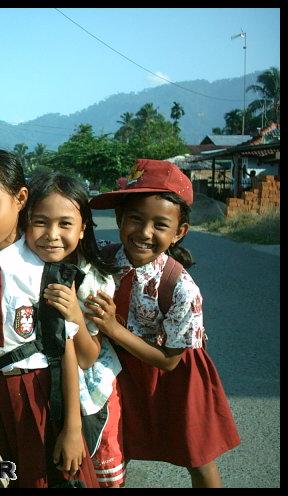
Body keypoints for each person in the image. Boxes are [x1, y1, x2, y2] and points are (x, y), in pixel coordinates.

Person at [0, 150, 99, 488]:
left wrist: (72, 428)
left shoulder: (46, 268)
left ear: (20, 199)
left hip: (42, 393)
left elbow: (67, 351)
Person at [87, 158, 241, 488]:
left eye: (159, 225)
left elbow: (170, 361)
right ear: (119, 218)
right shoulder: (103, 258)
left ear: (179, 232)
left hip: (175, 379)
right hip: (121, 372)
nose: (144, 233)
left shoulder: (181, 287)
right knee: (115, 445)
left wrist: (113, 329)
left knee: (196, 456)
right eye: (135, 219)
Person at [22, 169, 124, 487]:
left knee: (87, 474)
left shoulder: (93, 281)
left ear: (82, 230)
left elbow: (87, 358)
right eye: (40, 221)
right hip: (41, 390)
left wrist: (75, 316)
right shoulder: (20, 267)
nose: (52, 235)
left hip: (88, 397)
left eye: (65, 224)